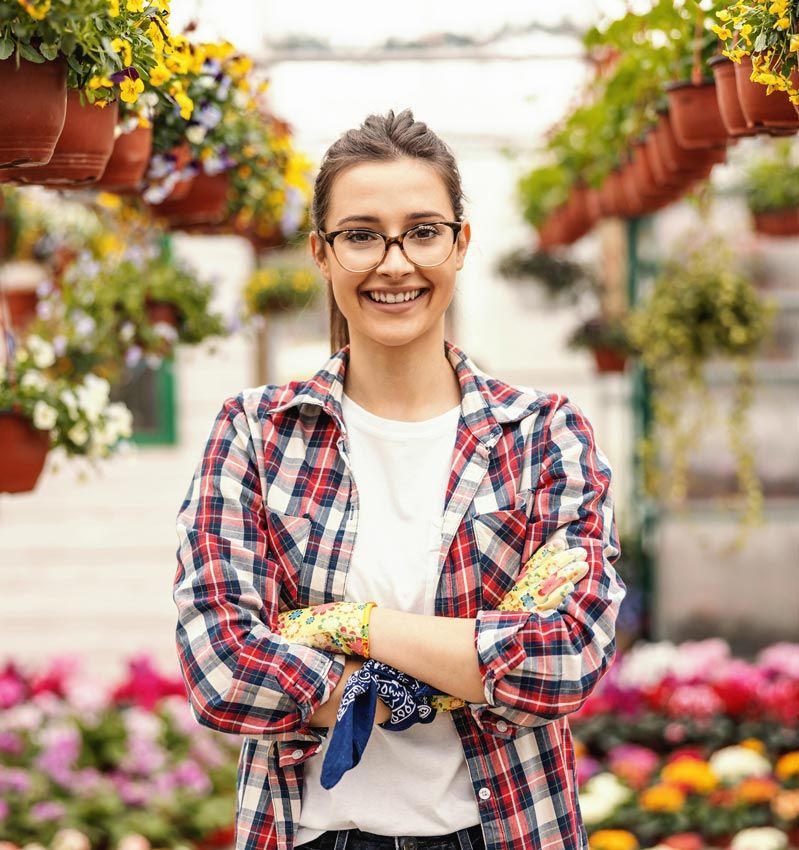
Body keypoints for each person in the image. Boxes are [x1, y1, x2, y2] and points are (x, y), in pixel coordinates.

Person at [172, 108, 627, 850]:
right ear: (321, 253)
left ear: (460, 244)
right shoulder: (256, 433)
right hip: (315, 835)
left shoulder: (543, 434)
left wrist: (351, 627)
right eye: (360, 235)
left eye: (421, 231)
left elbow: (561, 660)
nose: (393, 263)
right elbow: (223, 671)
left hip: (503, 830)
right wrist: (467, 667)